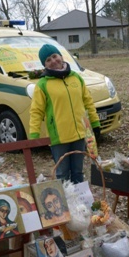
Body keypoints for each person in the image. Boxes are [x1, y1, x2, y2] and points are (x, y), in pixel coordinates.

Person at [29, 44, 100, 183]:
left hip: (79, 134)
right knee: (62, 175)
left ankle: (79, 204)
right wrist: (34, 136)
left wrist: (95, 123)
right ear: (45, 64)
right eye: (48, 60)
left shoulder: (76, 78)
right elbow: (36, 111)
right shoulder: (43, 84)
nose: (53, 61)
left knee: (78, 173)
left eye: (55, 56)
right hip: (59, 138)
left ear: (61, 56)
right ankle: (66, 203)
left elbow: (88, 101)